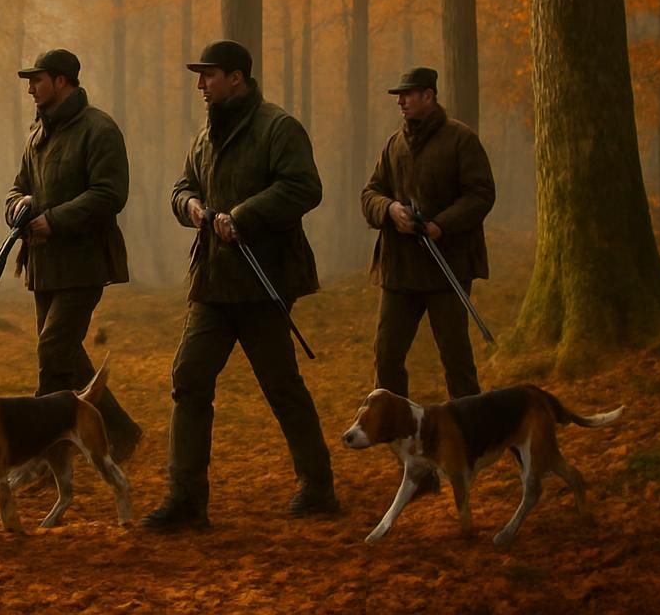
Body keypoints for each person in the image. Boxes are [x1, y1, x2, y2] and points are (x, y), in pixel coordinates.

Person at [144, 40, 338, 531]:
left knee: (280, 385)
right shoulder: (204, 137)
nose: (200, 85)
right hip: (212, 280)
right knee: (188, 379)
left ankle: (317, 487)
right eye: (200, 76)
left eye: (209, 75)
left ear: (237, 78)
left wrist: (244, 216)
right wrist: (188, 206)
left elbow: (304, 187)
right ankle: (186, 500)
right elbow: (181, 185)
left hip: (264, 279)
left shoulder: (278, 127)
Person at [5, 49, 143, 463]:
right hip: (44, 264)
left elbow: (109, 194)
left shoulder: (99, 129)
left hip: (85, 261)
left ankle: (41, 453)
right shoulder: (37, 135)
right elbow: (18, 186)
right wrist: (16, 207)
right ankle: (122, 430)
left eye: (38, 79)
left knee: (52, 352)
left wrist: (55, 221)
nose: (30, 87)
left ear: (62, 81)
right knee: (65, 354)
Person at [361, 66, 495, 405]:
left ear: (428, 97)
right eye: (399, 96)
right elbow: (370, 193)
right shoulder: (394, 144)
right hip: (400, 269)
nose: (401, 102)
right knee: (387, 356)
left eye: (407, 95)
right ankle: (398, 433)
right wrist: (390, 210)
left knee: (456, 359)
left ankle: (469, 433)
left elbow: (481, 194)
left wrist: (441, 225)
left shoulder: (461, 139)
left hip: (447, 267)